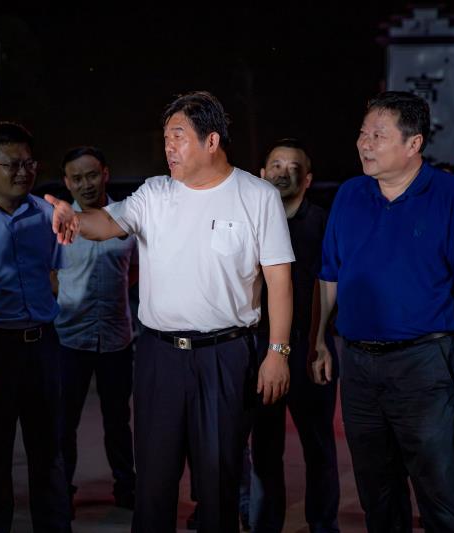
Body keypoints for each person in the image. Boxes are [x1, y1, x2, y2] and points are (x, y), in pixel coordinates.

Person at [47, 91, 295, 533]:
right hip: (159, 356)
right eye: (165, 138)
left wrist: (278, 352)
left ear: (211, 141)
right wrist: (76, 221)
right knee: (154, 482)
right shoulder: (155, 193)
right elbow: (108, 222)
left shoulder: (256, 196)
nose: (169, 148)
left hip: (225, 356)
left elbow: (279, 280)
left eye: (178, 137)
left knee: (218, 480)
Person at [311, 91, 454, 532]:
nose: (364, 143)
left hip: (424, 364)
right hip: (358, 364)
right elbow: (330, 275)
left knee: (442, 490)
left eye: (378, 135)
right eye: (362, 133)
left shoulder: (451, 195)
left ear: (414, 144)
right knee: (377, 491)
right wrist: (318, 340)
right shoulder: (350, 195)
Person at [0, 122, 71, 532]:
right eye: (13, 164)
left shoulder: (47, 216)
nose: (24, 172)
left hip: (42, 345)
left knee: (49, 452)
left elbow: (53, 276)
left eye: (29, 163)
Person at [250, 138, 339, 532]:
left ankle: (323, 524)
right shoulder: (249, 220)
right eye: (275, 165)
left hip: (308, 345)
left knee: (318, 445)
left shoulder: (323, 222)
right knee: (264, 445)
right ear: (261, 174)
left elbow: (330, 283)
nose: (282, 173)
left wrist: (319, 342)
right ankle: (265, 523)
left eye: (293, 167)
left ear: (307, 179)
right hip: (259, 347)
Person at [55, 146, 138, 511]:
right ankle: (61, 490)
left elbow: (134, 270)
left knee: (119, 420)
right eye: (77, 178)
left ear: (105, 173)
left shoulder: (127, 219)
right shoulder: (58, 223)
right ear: (66, 182)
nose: (85, 184)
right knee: (64, 422)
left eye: (91, 175)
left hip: (117, 338)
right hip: (69, 338)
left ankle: (126, 487)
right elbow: (49, 274)